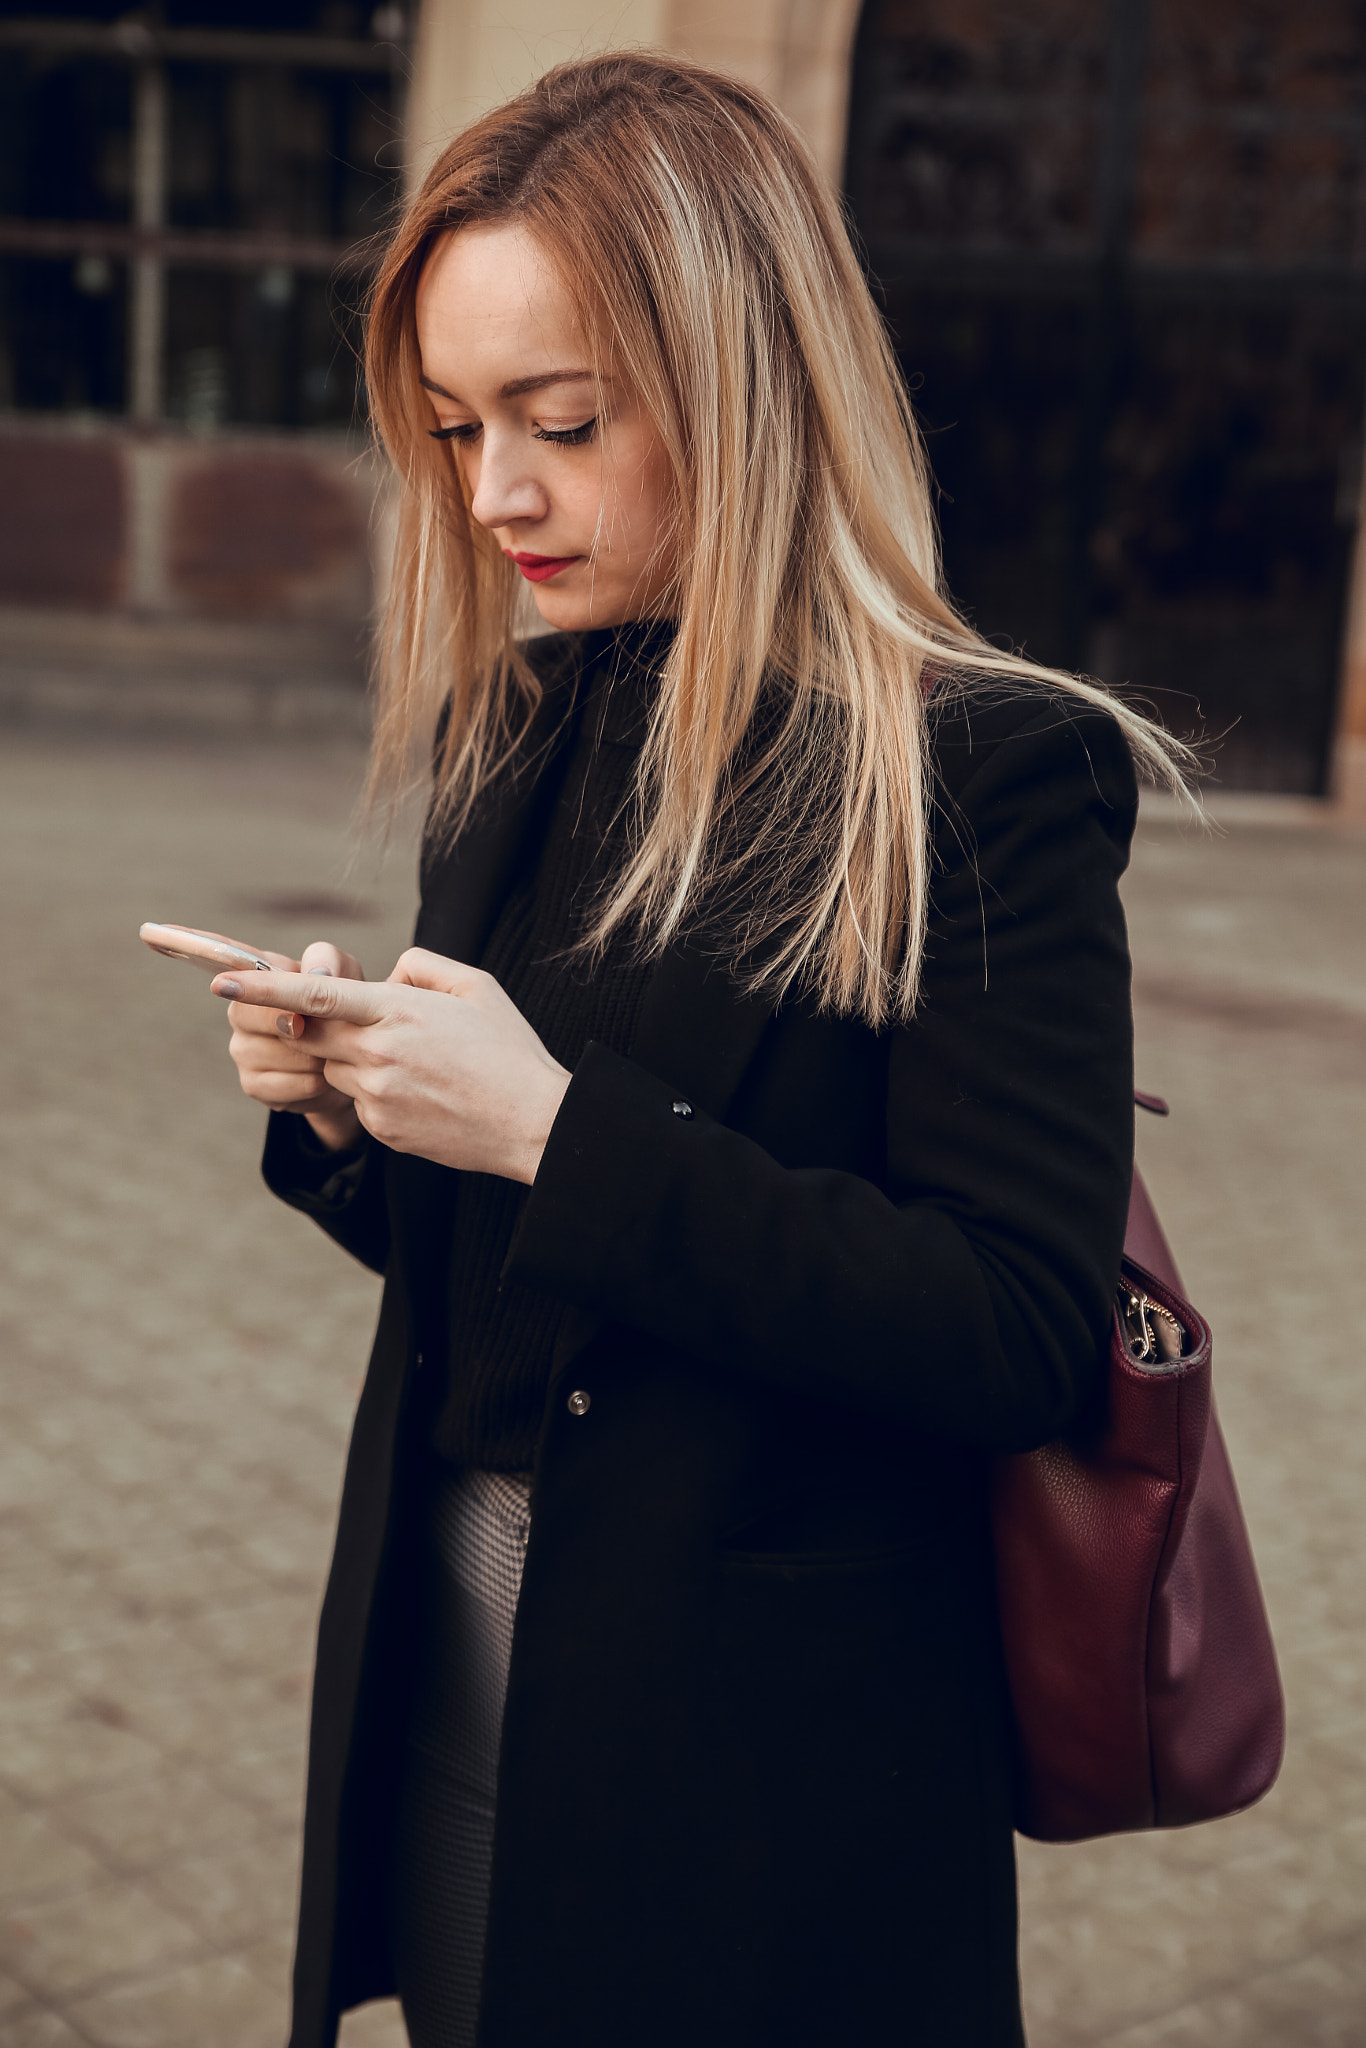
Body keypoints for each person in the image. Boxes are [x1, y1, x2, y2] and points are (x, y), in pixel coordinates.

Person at [212, 53, 1190, 2048]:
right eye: (456, 424)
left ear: (743, 391)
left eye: (558, 422)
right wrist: (354, 1114)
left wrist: (557, 1134)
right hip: (460, 1644)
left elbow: (1008, 1328)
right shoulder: (524, 718)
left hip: (768, 1752)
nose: (493, 494)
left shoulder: (981, 774)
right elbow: (515, 1285)